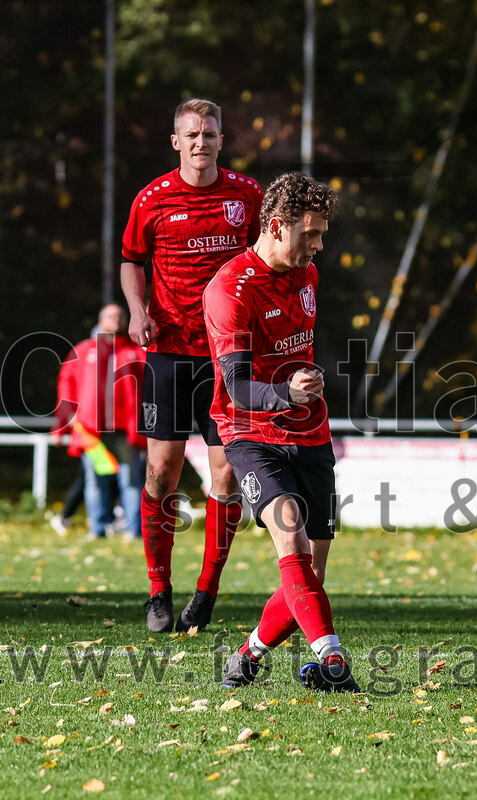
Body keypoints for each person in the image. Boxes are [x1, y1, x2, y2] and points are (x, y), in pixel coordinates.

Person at [204, 171, 360, 692]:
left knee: (311, 574)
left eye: (321, 235)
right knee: (290, 533)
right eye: (310, 234)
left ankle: (247, 655)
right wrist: (285, 393)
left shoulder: (307, 275)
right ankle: (332, 660)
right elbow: (238, 387)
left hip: (311, 433)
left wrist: (304, 389)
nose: (318, 246)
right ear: (275, 226)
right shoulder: (230, 289)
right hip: (250, 432)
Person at [121, 98, 263, 633]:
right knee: (162, 472)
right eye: (192, 134)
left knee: (225, 475)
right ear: (176, 142)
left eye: (210, 133)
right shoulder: (151, 199)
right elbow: (131, 261)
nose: (201, 142)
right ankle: (158, 591)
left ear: (222, 140)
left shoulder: (247, 195)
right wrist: (138, 311)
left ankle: (206, 593)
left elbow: (265, 261)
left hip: (230, 355)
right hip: (169, 351)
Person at [52, 305, 147, 539]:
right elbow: (66, 384)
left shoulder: (135, 351)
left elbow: (152, 387)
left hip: (126, 429)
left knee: (131, 479)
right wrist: (65, 420)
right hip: (90, 429)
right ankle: (98, 529)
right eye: (112, 316)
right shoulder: (84, 350)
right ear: (101, 320)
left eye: (121, 316)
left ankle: (133, 531)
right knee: (94, 480)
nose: (117, 319)